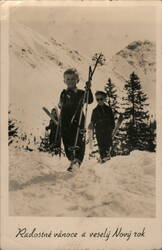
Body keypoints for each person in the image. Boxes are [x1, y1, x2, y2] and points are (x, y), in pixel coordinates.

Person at [58, 68, 93, 171]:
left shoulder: (81, 92)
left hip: (78, 118)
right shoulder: (63, 93)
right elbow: (60, 105)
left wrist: (88, 89)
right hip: (65, 119)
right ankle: (72, 159)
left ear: (77, 80)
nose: (70, 81)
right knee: (67, 140)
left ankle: (77, 160)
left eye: (73, 79)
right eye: (68, 79)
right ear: (64, 81)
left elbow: (89, 100)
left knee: (78, 139)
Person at [90, 91, 115, 163]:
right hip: (99, 131)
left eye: (101, 99)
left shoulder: (108, 109)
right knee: (101, 146)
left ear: (104, 99)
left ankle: (108, 158)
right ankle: (102, 159)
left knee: (108, 145)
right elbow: (92, 122)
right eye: (97, 99)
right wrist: (91, 128)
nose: (99, 101)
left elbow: (112, 120)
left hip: (107, 131)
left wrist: (112, 127)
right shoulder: (95, 111)